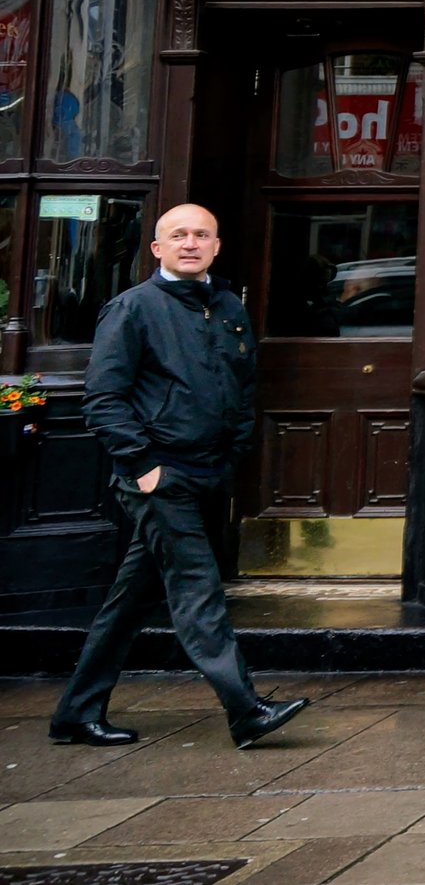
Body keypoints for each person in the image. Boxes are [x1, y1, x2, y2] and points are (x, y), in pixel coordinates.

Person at [52, 204, 307, 750]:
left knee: (130, 601)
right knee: (198, 590)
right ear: (157, 249)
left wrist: (232, 455)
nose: (190, 243)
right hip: (159, 477)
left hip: (207, 472)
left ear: (215, 247)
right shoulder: (132, 309)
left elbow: (240, 388)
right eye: (178, 235)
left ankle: (76, 711)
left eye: (201, 235)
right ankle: (245, 709)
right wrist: (144, 467)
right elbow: (102, 399)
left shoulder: (228, 306)